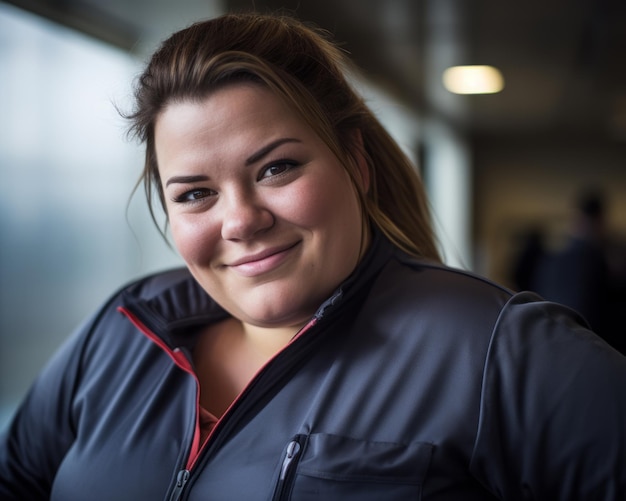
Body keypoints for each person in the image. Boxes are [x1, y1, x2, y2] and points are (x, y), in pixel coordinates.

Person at [1, 12, 625, 501]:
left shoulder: (497, 349)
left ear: (354, 161)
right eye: (195, 193)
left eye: (277, 167)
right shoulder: (123, 330)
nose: (241, 220)